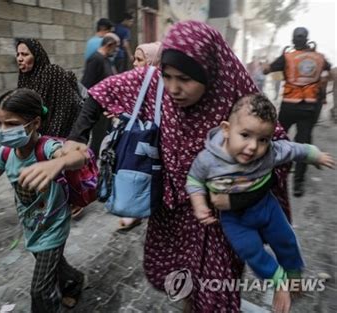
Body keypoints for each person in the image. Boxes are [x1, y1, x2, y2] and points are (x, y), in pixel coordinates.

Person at [63, 21, 293, 312]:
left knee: (215, 294)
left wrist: (238, 196)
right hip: (170, 212)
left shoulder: (241, 101)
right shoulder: (152, 83)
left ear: (209, 70)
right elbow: (100, 93)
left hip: (219, 223)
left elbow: (279, 154)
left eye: (184, 78)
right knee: (179, 279)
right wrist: (77, 137)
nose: (173, 88)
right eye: (168, 76)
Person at [186, 95, 335, 308]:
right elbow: (194, 179)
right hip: (234, 220)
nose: (253, 147)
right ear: (226, 129)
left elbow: (294, 149)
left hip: (267, 208)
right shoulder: (207, 160)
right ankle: (278, 280)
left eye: (263, 139)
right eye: (245, 135)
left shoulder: (271, 153)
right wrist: (199, 204)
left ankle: (293, 271)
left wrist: (315, 155)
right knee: (250, 252)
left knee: (286, 240)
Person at [0, 88, 87, 312]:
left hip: (53, 225)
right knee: (52, 264)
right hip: (31, 225)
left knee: (40, 289)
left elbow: (79, 157)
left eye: (11, 124)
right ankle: (74, 281)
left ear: (35, 123)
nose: (2, 130)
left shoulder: (46, 148)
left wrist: (57, 163)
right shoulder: (5, 153)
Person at [263, 27, 332, 197]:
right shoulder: (319, 57)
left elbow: (267, 70)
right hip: (309, 108)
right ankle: (298, 185)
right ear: (307, 39)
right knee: (304, 144)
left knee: (277, 138)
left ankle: (270, 175)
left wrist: (270, 63)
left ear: (294, 40)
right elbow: (330, 72)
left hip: (289, 106)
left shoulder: (288, 56)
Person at [0, 38, 81, 138]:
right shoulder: (24, 79)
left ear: (36, 56)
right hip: (37, 137)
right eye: (18, 54)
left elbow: (64, 109)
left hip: (61, 137)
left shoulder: (52, 72)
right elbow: (21, 109)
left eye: (25, 54)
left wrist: (50, 142)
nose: (19, 59)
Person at [117, 41, 162, 232]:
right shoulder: (138, 84)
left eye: (139, 59)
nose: (134, 63)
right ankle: (136, 211)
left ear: (153, 62)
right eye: (134, 59)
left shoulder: (163, 85)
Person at [81, 34, 119, 160]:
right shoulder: (95, 59)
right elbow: (86, 83)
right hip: (98, 105)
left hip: (106, 106)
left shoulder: (106, 59)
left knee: (104, 136)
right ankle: (91, 165)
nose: (116, 51)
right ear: (109, 45)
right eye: (115, 47)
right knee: (97, 138)